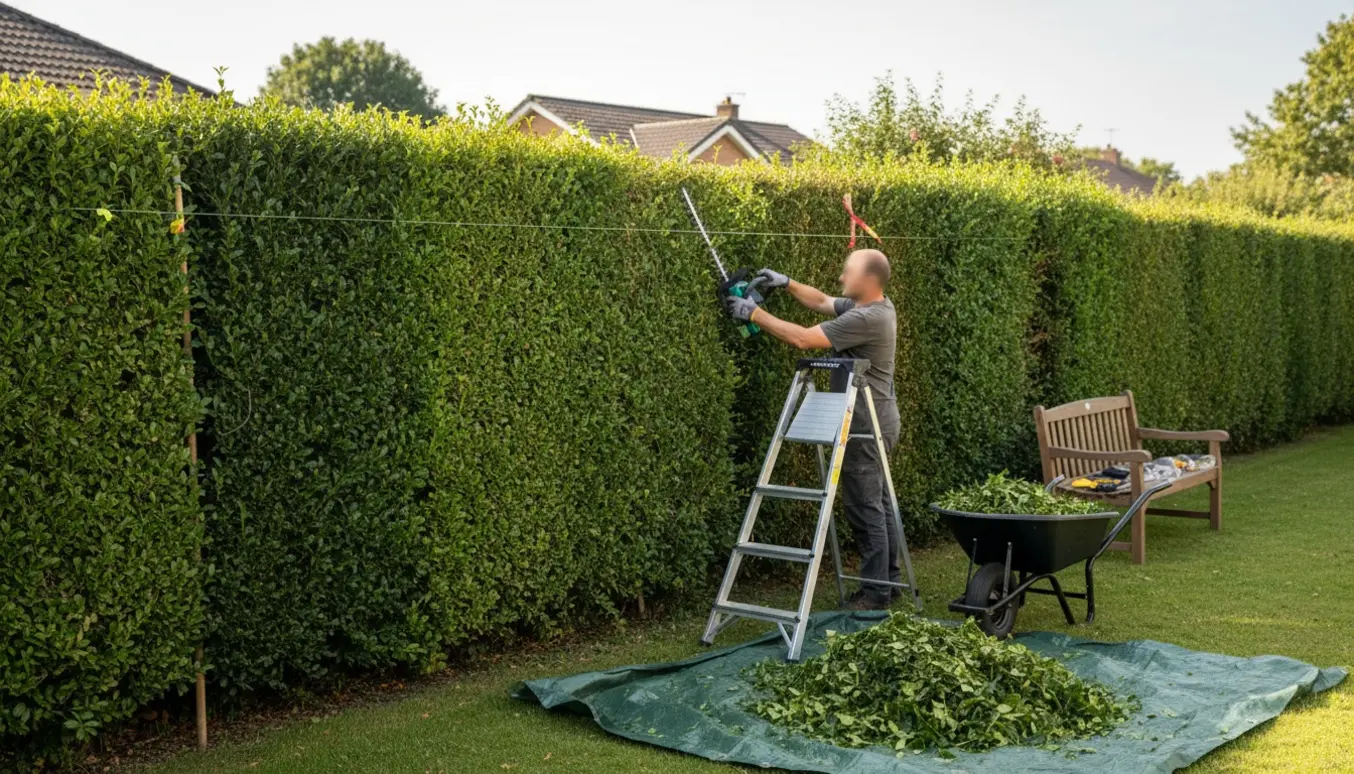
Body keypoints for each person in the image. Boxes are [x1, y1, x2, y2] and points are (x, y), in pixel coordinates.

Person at [724, 249, 901, 610]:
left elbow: (803, 339)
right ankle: (889, 582)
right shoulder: (871, 306)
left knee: (865, 509)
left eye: (848, 272)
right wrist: (787, 284)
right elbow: (821, 301)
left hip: (865, 427)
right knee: (879, 505)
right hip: (876, 420)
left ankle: (875, 593)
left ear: (868, 280)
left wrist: (753, 313)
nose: (841, 277)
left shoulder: (866, 318)